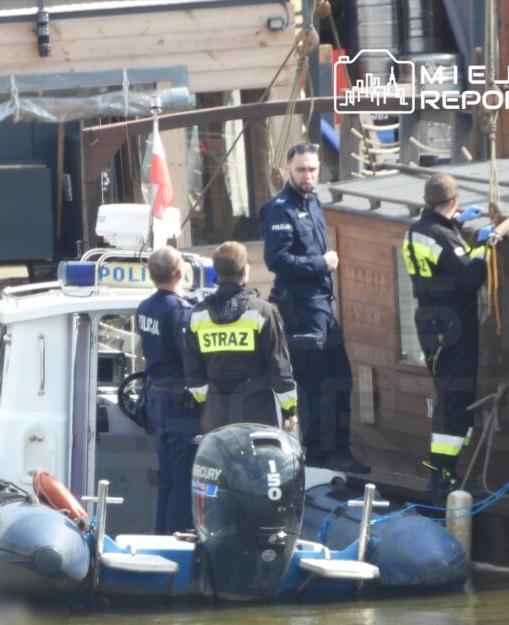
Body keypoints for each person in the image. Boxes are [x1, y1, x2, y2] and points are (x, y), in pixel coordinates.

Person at [260, 142, 369, 473]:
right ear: (287, 170)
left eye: (312, 169)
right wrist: (320, 264)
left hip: (323, 308)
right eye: (301, 169)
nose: (307, 175)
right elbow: (275, 260)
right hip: (301, 309)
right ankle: (322, 454)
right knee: (317, 384)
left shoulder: (314, 201)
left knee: (341, 379)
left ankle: (340, 450)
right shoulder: (279, 208)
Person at [402, 172, 490, 500]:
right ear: (454, 202)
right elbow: (468, 278)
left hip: (431, 321)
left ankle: (445, 476)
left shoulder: (416, 231)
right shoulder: (441, 235)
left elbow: (440, 263)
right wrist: (481, 249)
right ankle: (442, 480)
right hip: (451, 325)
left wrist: (456, 226)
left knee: (451, 399)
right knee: (454, 402)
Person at [183, 241, 299, 434]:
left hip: (215, 416)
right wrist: (289, 410)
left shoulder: (198, 315)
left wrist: (210, 405)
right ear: (245, 270)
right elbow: (279, 365)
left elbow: (193, 371)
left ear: (217, 273)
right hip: (257, 412)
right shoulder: (262, 312)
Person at [135, 246, 201, 534]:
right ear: (179, 272)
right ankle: (176, 542)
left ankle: (160, 535)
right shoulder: (179, 311)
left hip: (156, 399)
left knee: (168, 477)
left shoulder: (144, 308)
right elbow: (191, 358)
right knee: (184, 479)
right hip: (178, 404)